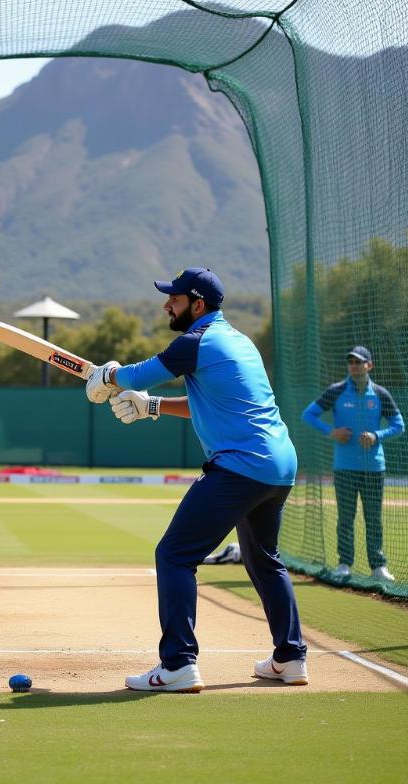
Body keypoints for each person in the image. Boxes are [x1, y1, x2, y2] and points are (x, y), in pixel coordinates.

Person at [85, 268, 307, 692]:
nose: (167, 304)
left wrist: (110, 376)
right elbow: (205, 403)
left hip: (240, 466)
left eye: (174, 299)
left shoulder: (196, 341)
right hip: (279, 466)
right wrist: (152, 407)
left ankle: (178, 665)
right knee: (263, 560)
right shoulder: (239, 341)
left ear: (197, 305)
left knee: (174, 555)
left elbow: (140, 373)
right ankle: (290, 657)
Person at [301, 346, 404, 582]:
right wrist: (331, 431)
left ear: (369, 365)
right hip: (344, 467)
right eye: (351, 362)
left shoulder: (380, 393)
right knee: (345, 517)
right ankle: (344, 564)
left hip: (374, 468)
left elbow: (399, 425)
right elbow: (308, 415)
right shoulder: (336, 391)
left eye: (359, 362)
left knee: (374, 518)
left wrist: (377, 435)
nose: (354, 366)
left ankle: (378, 567)